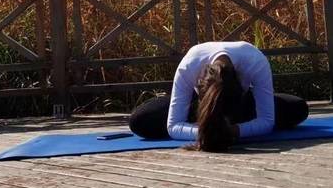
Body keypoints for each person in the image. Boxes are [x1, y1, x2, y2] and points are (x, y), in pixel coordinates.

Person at [128, 41, 309, 151]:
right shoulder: (189, 65)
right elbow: (173, 125)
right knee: (140, 120)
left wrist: (232, 130)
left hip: (242, 107)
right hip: (197, 110)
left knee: (298, 108)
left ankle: (227, 115)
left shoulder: (255, 61)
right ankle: (208, 113)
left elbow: (267, 120)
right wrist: (208, 129)